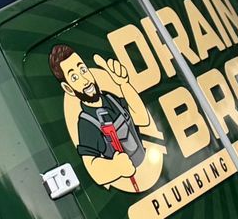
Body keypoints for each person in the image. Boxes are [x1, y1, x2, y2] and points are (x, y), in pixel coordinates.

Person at [50, 44, 164, 192]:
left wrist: (124, 84)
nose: (85, 80)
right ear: (68, 88)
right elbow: (92, 166)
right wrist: (115, 168)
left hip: (148, 169)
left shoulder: (111, 99)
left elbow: (142, 118)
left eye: (83, 70)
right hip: (134, 181)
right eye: (74, 77)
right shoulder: (86, 123)